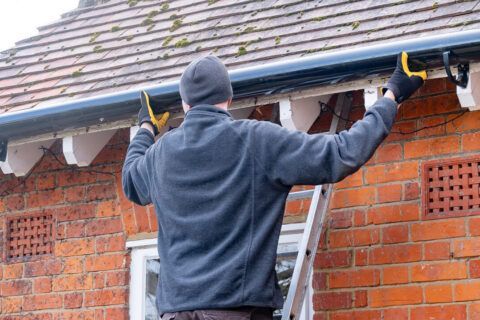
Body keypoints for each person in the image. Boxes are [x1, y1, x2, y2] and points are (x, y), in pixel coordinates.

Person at [122, 53, 426, 320]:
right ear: (228, 98)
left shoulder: (160, 155)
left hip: (175, 311)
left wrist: (147, 127)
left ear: (185, 103)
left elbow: (130, 181)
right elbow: (342, 152)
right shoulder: (256, 139)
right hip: (236, 310)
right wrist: (392, 95)